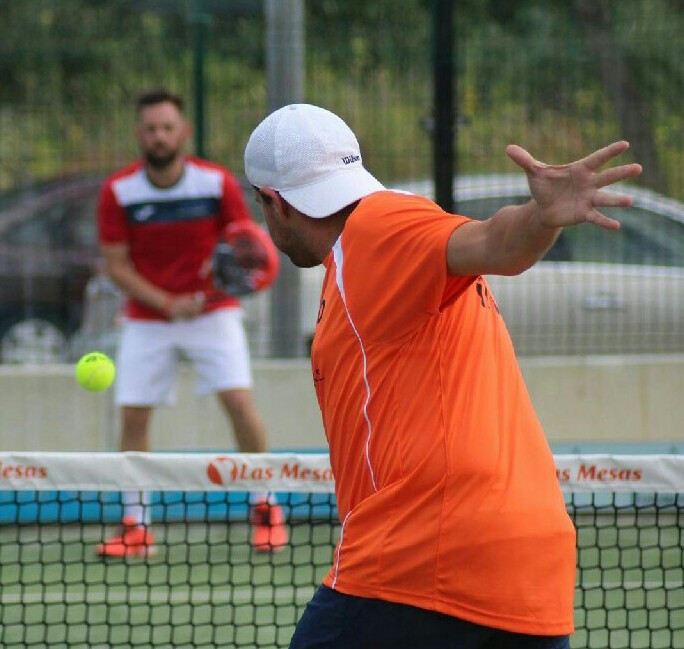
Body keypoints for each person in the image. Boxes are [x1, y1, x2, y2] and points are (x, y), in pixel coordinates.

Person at [243, 104, 642, 649]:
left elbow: (494, 244)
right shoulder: (365, 263)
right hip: (530, 568)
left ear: (275, 203)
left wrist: (540, 217)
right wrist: (539, 219)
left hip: (420, 553)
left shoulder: (375, 229)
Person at [96, 89, 287, 557]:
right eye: (151, 129)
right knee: (133, 415)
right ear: (139, 134)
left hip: (213, 314)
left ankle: (266, 507)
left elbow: (245, 246)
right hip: (147, 318)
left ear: (183, 132)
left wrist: (212, 285)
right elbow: (117, 267)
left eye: (167, 127)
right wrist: (166, 301)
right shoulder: (118, 191)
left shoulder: (216, 183)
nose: (159, 136)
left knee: (239, 402)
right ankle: (136, 524)